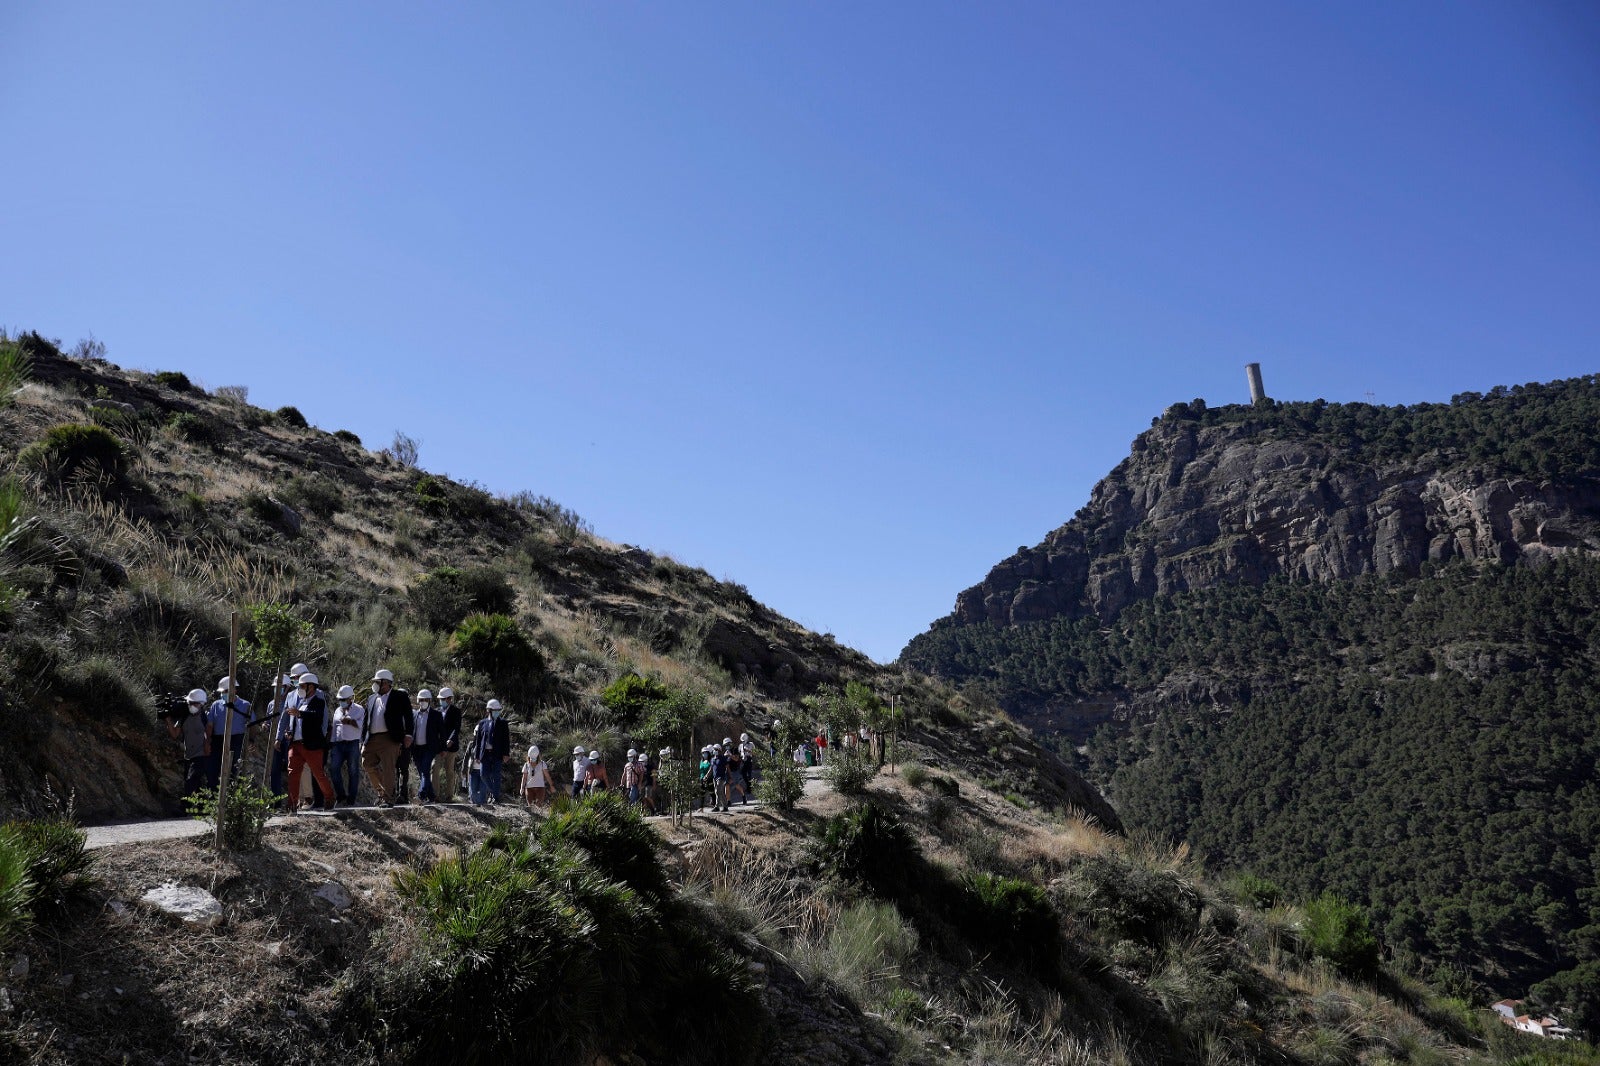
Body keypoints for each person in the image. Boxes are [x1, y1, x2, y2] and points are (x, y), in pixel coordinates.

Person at [283, 673, 336, 814]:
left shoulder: (318, 701)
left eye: (302, 685)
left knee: (318, 773)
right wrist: (289, 732)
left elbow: (316, 716)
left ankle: (330, 798)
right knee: (292, 774)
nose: (299, 688)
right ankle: (292, 804)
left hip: (312, 745)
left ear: (311, 686)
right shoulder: (300, 701)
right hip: (295, 744)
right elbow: (294, 720)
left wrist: (300, 714)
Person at [361, 668, 413, 808]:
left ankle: (388, 798)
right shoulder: (371, 698)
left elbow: (408, 716)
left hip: (390, 738)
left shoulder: (399, 696)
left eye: (377, 682)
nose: (375, 684)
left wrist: (408, 734)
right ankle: (383, 792)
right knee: (366, 763)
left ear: (386, 683)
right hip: (372, 738)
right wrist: (363, 741)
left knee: (388, 767)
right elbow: (366, 720)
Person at [270, 663, 311, 800]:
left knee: (306, 769)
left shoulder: (315, 695)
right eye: (293, 678)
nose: (295, 680)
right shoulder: (290, 697)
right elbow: (283, 719)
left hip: (305, 739)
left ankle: (307, 798)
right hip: (289, 739)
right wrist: (278, 737)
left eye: (296, 677)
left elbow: (320, 719)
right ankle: (293, 800)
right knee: (289, 769)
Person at [205, 676, 253, 789]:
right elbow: (210, 725)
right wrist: (207, 742)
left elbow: (252, 724)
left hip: (237, 741)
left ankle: (233, 797)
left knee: (234, 769)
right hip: (217, 741)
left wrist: (251, 740)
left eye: (225, 691)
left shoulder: (245, 705)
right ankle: (213, 797)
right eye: (222, 692)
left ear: (234, 689)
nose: (223, 694)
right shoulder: (216, 705)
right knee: (213, 769)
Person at [167, 688, 212, 802]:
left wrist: (207, 745)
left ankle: (184, 807)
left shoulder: (205, 717)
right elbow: (175, 734)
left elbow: (209, 732)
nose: (191, 705)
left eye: (194, 703)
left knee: (191, 779)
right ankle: (202, 807)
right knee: (195, 782)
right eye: (190, 703)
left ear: (201, 704)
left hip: (201, 755)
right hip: (188, 756)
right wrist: (167, 720)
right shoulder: (184, 717)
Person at [468, 699, 511, 805]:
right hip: (485, 754)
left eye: (498, 710)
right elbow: (478, 741)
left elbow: (506, 740)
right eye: (494, 710)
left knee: (496, 776)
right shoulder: (482, 723)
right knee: (483, 775)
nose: (497, 712)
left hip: (497, 754)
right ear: (489, 711)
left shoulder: (503, 723)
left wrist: (506, 754)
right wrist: (477, 755)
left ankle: (495, 798)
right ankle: (494, 793)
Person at [327, 685, 364, 806]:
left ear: (350, 698)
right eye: (340, 700)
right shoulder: (337, 711)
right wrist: (332, 742)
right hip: (338, 744)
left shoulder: (359, 709)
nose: (341, 702)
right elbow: (334, 727)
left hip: (353, 743)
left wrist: (349, 721)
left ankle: (351, 799)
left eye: (343, 700)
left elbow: (361, 725)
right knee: (334, 769)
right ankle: (341, 796)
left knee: (353, 771)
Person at [410, 688, 444, 804]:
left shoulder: (436, 715)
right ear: (418, 700)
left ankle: (421, 796)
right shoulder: (414, 714)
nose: (423, 701)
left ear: (429, 701)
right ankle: (432, 796)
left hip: (429, 748)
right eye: (421, 699)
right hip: (416, 748)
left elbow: (442, 733)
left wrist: (442, 748)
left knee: (425, 771)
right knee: (422, 773)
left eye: (426, 699)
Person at [435, 686, 463, 802]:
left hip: (451, 747)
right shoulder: (437, 711)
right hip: (438, 746)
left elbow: (456, 728)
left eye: (444, 699)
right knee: (434, 768)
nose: (442, 701)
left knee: (449, 771)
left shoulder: (456, 711)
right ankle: (434, 795)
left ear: (449, 699)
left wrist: (451, 740)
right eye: (441, 699)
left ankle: (449, 796)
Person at [710, 744, 732, 812]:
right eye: (714, 749)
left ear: (719, 750)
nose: (714, 751)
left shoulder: (722, 758)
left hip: (721, 777)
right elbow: (711, 768)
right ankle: (725, 807)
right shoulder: (712, 759)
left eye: (716, 749)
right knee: (720, 792)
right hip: (715, 777)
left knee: (717, 791)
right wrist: (706, 776)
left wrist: (730, 777)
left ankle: (717, 806)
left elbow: (728, 768)